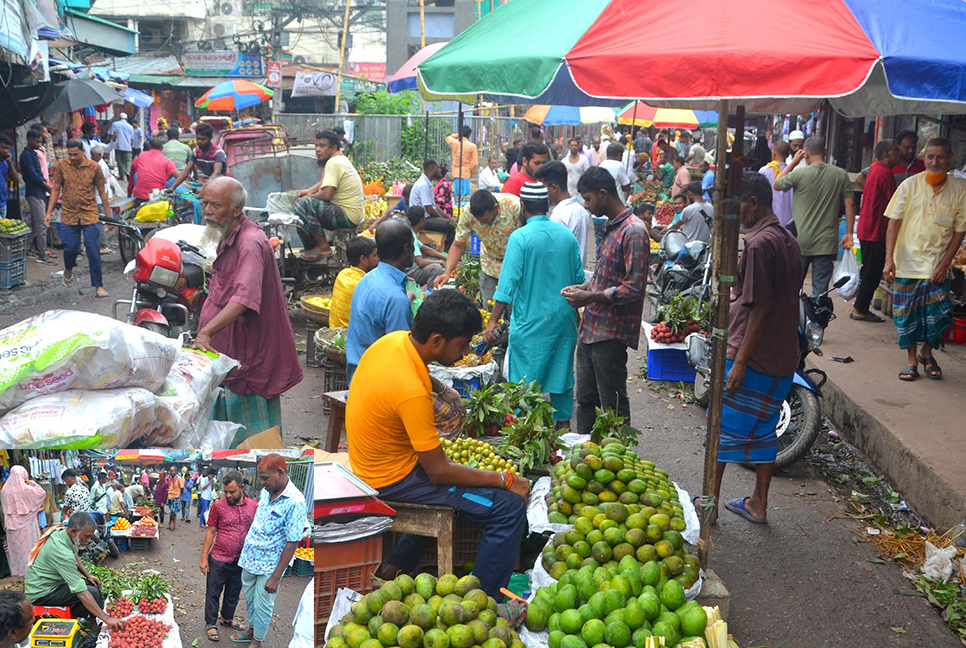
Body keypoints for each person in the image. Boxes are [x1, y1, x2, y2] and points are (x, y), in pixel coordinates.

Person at [346, 290, 530, 598]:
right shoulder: (411, 392)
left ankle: (394, 567)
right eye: (462, 344)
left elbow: (419, 376)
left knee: (457, 487)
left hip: (371, 462)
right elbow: (439, 472)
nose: (465, 351)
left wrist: (443, 388)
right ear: (436, 340)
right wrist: (505, 479)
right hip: (391, 479)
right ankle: (483, 600)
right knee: (508, 508)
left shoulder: (393, 342)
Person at [711, 174, 803, 526]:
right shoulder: (788, 239)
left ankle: (710, 504)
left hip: (755, 356)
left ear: (752, 204)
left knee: (721, 428)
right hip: (782, 355)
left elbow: (760, 308)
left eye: (739, 207)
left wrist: (739, 363)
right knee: (764, 430)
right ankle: (758, 504)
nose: (738, 215)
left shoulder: (759, 244)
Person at [195, 177, 302, 444]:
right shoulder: (227, 234)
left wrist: (206, 331)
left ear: (236, 210)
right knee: (224, 441)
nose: (207, 211)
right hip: (228, 357)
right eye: (205, 203)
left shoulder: (249, 242)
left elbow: (244, 299)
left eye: (215, 205)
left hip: (247, 359)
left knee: (252, 446)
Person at [484, 182, 584, 428]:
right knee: (562, 370)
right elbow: (579, 282)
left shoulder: (520, 238)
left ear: (522, 206)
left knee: (524, 379)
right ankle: (563, 425)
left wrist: (493, 321)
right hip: (563, 318)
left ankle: (524, 427)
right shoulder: (567, 237)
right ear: (546, 205)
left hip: (531, 320)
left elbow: (506, 286)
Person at [563, 168, 648, 438]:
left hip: (610, 334)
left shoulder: (633, 232)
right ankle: (584, 451)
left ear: (603, 194)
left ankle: (618, 454)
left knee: (613, 406)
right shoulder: (611, 228)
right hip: (590, 330)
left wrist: (590, 297)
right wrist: (583, 288)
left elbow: (633, 288)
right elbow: (606, 277)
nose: (587, 206)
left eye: (588, 199)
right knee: (585, 400)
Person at [883, 137, 966, 382]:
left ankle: (927, 353)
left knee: (940, 316)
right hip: (906, 263)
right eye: (930, 157)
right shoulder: (909, 185)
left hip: (937, 266)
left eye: (940, 157)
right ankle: (911, 361)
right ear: (924, 158)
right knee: (906, 317)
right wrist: (889, 260)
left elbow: (960, 231)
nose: (934, 162)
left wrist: (945, 263)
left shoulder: (959, 190)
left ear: (949, 158)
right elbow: (893, 222)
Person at [235, 455, 306, 648]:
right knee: (250, 600)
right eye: (261, 478)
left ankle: (257, 640)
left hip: (269, 565)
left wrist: (276, 577)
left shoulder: (295, 502)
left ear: (280, 473)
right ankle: (251, 629)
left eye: (265, 478)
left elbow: (292, 542)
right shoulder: (267, 492)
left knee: (263, 604)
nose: (262, 483)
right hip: (250, 558)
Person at [774, 136, 856, 295]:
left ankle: (796, 312)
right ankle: (817, 312)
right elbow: (850, 203)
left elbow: (777, 184)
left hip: (800, 242)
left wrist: (793, 163)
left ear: (805, 154)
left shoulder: (799, 174)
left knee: (792, 289)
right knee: (820, 292)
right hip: (826, 243)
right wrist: (848, 233)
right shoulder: (840, 174)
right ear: (825, 151)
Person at [25, 513, 126, 636]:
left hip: (50, 583)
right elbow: (81, 592)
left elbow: (73, 554)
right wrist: (108, 619)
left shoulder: (61, 533)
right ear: (74, 531)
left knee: (93, 584)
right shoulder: (61, 553)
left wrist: (88, 575)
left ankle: (93, 621)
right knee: (92, 592)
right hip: (42, 592)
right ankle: (89, 624)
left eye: (91, 536)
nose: (89, 540)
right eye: (86, 536)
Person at [346, 220, 416, 383]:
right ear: (407, 249)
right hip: (377, 384)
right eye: (413, 245)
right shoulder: (396, 299)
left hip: (358, 376)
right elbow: (400, 357)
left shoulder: (366, 279)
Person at [45, 140, 111, 297]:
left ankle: (99, 286)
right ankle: (68, 268)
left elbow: (102, 192)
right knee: (70, 248)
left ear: (83, 152)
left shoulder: (94, 167)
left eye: (75, 154)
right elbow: (55, 189)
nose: (73, 158)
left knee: (93, 249)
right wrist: (48, 213)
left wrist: (109, 216)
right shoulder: (62, 166)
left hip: (90, 213)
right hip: (69, 214)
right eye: (70, 154)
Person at [433, 190, 521, 304]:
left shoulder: (514, 206)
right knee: (489, 304)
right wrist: (447, 272)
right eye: (480, 221)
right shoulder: (467, 213)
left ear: (496, 208)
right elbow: (458, 245)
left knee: (514, 304)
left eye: (486, 220)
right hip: (491, 263)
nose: (484, 224)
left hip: (516, 264)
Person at [200, 470, 258, 643]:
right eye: (225, 491)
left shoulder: (254, 506)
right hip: (219, 558)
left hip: (241, 560)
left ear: (242, 487)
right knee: (213, 592)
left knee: (233, 592)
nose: (228, 495)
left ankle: (226, 618)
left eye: (232, 491)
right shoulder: (218, 506)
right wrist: (203, 558)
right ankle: (211, 623)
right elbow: (211, 531)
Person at [293, 130, 365, 259]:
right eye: (316, 146)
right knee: (302, 213)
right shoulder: (339, 159)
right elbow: (327, 182)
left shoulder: (334, 163)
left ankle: (323, 247)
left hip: (347, 215)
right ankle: (313, 248)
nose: (317, 150)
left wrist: (307, 198)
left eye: (322, 146)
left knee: (302, 204)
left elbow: (327, 195)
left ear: (333, 148)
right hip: (352, 214)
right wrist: (310, 191)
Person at [852, 139, 899, 323]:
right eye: (895, 150)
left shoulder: (875, 169)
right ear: (886, 154)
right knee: (872, 273)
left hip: (869, 228)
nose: (898, 154)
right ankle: (860, 309)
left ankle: (859, 307)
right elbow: (894, 203)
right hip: (875, 230)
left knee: (868, 271)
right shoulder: (885, 173)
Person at [534, 161, 591, 265]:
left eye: (543, 187)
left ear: (554, 188)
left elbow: (554, 254)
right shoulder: (581, 211)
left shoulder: (558, 218)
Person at [1, 466, 46, 577]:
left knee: (16, 550)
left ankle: (18, 570)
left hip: (12, 525)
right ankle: (31, 569)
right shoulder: (26, 489)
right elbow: (42, 493)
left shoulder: (5, 490)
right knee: (29, 547)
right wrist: (31, 483)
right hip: (27, 525)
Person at [20, 130, 55, 264]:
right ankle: (42, 254)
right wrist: (47, 186)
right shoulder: (26, 156)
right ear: (29, 139)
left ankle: (25, 249)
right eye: (37, 141)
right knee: (41, 225)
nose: (39, 144)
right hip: (34, 192)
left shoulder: (33, 154)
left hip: (39, 191)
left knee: (36, 225)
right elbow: (33, 175)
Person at [330, 236, 379, 328]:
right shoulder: (365, 284)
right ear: (363, 259)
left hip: (335, 330)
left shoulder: (343, 274)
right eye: (374, 255)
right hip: (351, 334)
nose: (377, 259)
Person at [409, 159, 455, 249]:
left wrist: (448, 217)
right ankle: (447, 252)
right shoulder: (423, 185)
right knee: (449, 226)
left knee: (449, 222)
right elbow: (429, 209)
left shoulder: (427, 183)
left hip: (426, 217)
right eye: (438, 168)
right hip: (420, 220)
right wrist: (443, 219)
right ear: (433, 169)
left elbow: (435, 207)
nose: (440, 170)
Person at [171, 123, 228, 190]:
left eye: (203, 139)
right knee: (182, 185)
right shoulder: (196, 151)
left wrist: (203, 188)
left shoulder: (218, 153)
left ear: (210, 138)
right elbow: (186, 171)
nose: (199, 141)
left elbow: (216, 173)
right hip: (204, 183)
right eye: (198, 139)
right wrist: (172, 188)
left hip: (218, 184)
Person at [406, 206, 447, 287]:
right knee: (436, 268)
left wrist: (445, 258)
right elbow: (420, 262)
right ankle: (430, 291)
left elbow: (426, 249)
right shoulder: (411, 236)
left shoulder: (411, 232)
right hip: (408, 272)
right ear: (421, 220)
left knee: (434, 259)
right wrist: (439, 262)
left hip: (411, 269)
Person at [128, 137, 177, 201]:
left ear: (149, 146)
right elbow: (178, 176)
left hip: (140, 196)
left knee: (137, 173)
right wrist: (171, 188)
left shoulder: (141, 155)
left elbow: (131, 178)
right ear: (162, 148)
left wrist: (129, 195)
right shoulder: (167, 160)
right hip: (157, 197)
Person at [758, 141, 792, 226]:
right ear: (788, 155)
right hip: (788, 221)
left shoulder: (764, 171)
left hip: (769, 221)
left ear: (773, 153)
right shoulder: (792, 172)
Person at [446, 126, 478, 199]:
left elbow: (448, 138)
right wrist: (471, 173)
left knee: (457, 195)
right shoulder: (472, 146)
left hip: (456, 172)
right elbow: (475, 164)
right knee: (465, 196)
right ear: (469, 135)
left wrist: (458, 135)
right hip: (465, 173)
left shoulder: (454, 143)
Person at [109, 112, 135, 180]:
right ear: (126, 119)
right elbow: (132, 139)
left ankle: (122, 175)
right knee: (128, 160)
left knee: (119, 161)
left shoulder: (115, 124)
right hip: (128, 146)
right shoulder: (130, 127)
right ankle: (128, 171)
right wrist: (131, 145)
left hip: (118, 145)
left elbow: (112, 134)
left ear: (119, 118)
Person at [0, 136, 19, 220]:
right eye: (3, 147)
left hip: (2, 203)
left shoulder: (5, 163)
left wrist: (10, 162)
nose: (5, 151)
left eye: (8, 149)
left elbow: (14, 178)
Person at [165, 466, 183, 530]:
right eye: (171, 471)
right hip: (169, 497)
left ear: (176, 471)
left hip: (176, 497)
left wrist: (180, 495)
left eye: (173, 471)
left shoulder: (179, 478)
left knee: (172, 512)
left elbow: (182, 488)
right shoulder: (169, 478)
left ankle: (170, 524)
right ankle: (174, 524)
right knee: (174, 511)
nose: (172, 472)